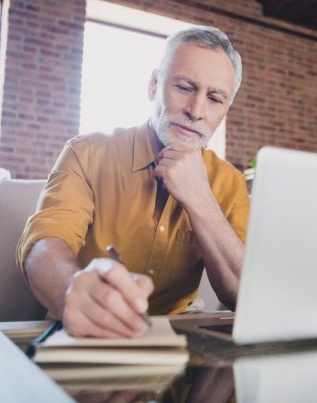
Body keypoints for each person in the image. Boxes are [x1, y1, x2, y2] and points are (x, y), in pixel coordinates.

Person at [16, 26, 249, 338]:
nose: (196, 111)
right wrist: (69, 290)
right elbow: (45, 243)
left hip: (178, 342)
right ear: (153, 85)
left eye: (215, 98)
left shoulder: (230, 183)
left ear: (226, 110)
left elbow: (243, 294)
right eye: (184, 88)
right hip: (86, 335)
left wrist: (201, 201)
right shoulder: (86, 154)